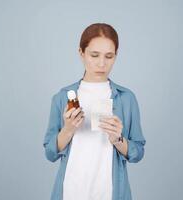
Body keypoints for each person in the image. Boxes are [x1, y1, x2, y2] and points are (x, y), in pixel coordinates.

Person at [43, 23, 146, 200]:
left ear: (116, 56)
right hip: (70, 191)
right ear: (81, 53)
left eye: (109, 56)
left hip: (110, 192)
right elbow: (50, 153)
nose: (101, 63)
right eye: (94, 55)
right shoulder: (62, 97)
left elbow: (138, 153)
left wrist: (118, 139)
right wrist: (68, 130)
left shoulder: (126, 98)